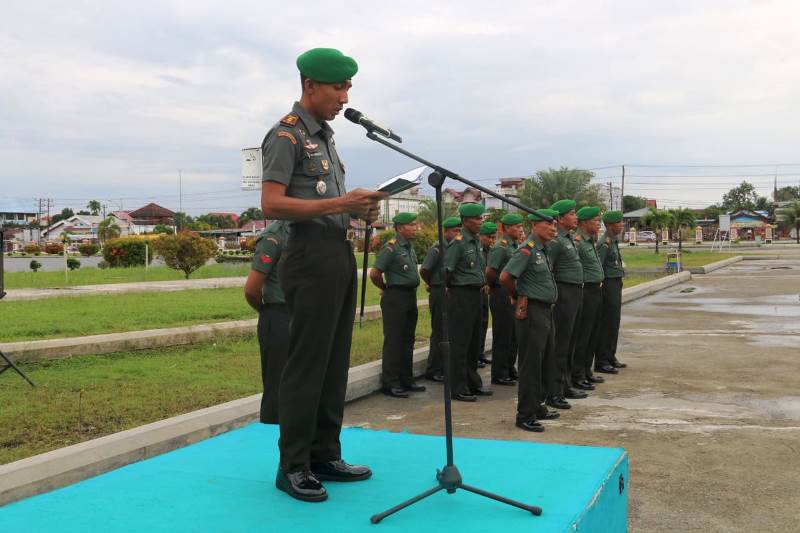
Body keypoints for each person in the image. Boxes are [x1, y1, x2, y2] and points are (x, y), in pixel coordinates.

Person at [260, 47, 385, 503]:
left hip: (337, 253)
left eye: (349, 86)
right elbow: (272, 204)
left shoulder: (327, 138)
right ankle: (292, 465)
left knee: (335, 362)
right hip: (308, 258)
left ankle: (324, 455)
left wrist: (360, 212)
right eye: (338, 86)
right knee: (307, 364)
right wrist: (340, 204)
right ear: (310, 85)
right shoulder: (286, 136)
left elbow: (331, 204)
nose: (344, 94)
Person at [499, 209, 561, 432]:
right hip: (532, 312)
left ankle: (538, 406)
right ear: (535, 225)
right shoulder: (526, 251)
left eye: (555, 224)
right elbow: (505, 277)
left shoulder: (544, 250)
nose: (554, 228)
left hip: (545, 311)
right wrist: (517, 296)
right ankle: (524, 415)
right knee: (530, 364)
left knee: (545, 362)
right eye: (549, 224)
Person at [369, 212, 424, 398]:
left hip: (410, 296)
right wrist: (385, 287)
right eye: (412, 225)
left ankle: (406, 379)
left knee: (408, 339)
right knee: (394, 340)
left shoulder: (410, 247)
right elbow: (375, 273)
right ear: (400, 228)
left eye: (415, 225)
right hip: (395, 296)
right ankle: (390, 382)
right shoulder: (391, 248)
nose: (415, 228)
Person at [444, 203, 493, 402]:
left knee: (474, 342)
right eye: (477, 218)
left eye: (482, 218)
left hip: (476, 294)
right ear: (466, 221)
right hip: (461, 295)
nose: (481, 221)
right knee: (460, 343)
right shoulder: (458, 242)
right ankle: (458, 387)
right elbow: (446, 270)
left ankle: (473, 382)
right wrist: (450, 291)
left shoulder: (475, 242)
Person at [243, 221, 291, 424]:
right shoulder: (274, 237)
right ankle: (271, 431)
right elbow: (251, 290)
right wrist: (267, 312)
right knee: (278, 382)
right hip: (279, 314)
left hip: (305, 315)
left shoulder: (307, 230)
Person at [546, 199, 586, 410]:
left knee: (571, 341)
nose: (575, 217)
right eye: (571, 213)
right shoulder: (556, 241)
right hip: (564, 294)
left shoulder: (568, 239)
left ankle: (566, 383)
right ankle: (554, 391)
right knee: (560, 344)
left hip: (575, 292)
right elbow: (548, 269)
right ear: (560, 219)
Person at [420, 216, 461, 382]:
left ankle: (444, 367)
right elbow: (425, 269)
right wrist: (432, 283)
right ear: (445, 232)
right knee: (439, 331)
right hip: (439, 292)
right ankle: (434, 369)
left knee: (449, 331)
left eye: (459, 230)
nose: (457, 234)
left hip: (449, 291)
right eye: (454, 231)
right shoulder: (438, 247)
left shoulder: (455, 247)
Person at [485, 213, 524, 386]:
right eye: (517, 226)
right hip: (501, 292)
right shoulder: (501, 246)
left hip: (512, 291)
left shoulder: (515, 245)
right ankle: (499, 373)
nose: (520, 229)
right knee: (503, 334)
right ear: (507, 228)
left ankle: (509, 367)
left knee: (513, 334)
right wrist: (493, 286)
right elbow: (490, 271)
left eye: (521, 226)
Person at [571, 207, 605, 391]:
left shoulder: (591, 241)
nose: (599, 223)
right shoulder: (577, 242)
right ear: (583, 223)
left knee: (593, 333)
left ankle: (586, 370)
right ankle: (577, 374)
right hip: (585, 291)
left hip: (596, 291)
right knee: (582, 335)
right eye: (595, 220)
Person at [595, 211, 627, 373]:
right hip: (607, 285)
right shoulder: (604, 243)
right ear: (608, 225)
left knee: (614, 322)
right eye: (618, 223)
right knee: (606, 323)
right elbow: (598, 266)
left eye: (622, 222)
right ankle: (601, 360)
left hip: (615, 283)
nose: (621, 225)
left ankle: (610, 355)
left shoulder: (613, 241)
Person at [477, 221, 498, 368]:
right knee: (475, 324)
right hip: (475, 290)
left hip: (484, 291)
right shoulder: (477, 249)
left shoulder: (490, 251)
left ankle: (480, 353)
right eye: (489, 237)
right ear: (481, 236)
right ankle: (475, 355)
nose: (491, 240)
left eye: (493, 237)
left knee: (484, 322)